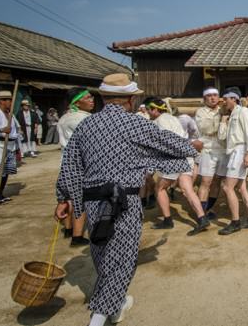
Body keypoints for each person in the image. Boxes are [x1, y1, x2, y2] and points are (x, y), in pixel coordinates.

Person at [54, 73, 201, 326]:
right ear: (131, 100)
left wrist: (64, 197)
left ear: (102, 97)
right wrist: (194, 146)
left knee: (102, 254)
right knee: (121, 259)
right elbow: (179, 147)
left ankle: (116, 304)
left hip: (92, 201)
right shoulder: (136, 124)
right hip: (125, 202)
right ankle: (99, 318)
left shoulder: (86, 126)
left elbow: (70, 165)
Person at [147, 98, 210, 235]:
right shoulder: (173, 118)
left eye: (149, 110)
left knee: (159, 188)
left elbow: (169, 141)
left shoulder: (159, 121)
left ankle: (167, 220)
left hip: (174, 157)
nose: (148, 113)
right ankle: (202, 218)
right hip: (186, 157)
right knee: (188, 189)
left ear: (155, 109)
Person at [57, 87, 95, 246]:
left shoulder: (64, 118)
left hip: (65, 163)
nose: (92, 99)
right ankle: (77, 237)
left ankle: (68, 229)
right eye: (87, 97)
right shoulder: (84, 119)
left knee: (68, 198)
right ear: (77, 102)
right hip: (79, 164)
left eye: (91, 96)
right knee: (80, 200)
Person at [217, 87, 248, 235]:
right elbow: (222, 137)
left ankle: (235, 222)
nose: (224, 102)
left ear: (233, 98)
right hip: (235, 153)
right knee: (241, 187)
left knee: (228, 188)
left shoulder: (243, 111)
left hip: (241, 152)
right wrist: (223, 121)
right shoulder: (231, 114)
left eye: (225, 99)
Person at [194, 88, 225, 220]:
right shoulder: (200, 112)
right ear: (204, 98)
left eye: (215, 95)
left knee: (217, 180)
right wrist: (223, 120)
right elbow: (206, 128)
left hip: (223, 150)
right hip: (207, 150)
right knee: (206, 181)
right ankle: (201, 212)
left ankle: (209, 207)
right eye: (209, 96)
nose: (212, 98)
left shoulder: (223, 110)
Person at [0, 90, 21, 204]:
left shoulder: (10, 113)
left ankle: (0, 193)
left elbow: (15, 129)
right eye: (8, 100)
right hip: (0, 144)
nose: (10, 102)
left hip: (11, 145)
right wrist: (1, 130)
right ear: (1, 101)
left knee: (6, 171)